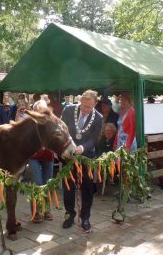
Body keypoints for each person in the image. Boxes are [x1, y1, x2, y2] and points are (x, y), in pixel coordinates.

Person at [61, 89, 102, 232]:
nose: (84, 109)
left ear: (95, 104)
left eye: (88, 107)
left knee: (87, 188)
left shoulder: (98, 118)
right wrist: (69, 145)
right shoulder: (69, 110)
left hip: (87, 158)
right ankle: (70, 215)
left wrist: (82, 148)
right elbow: (62, 130)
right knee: (68, 187)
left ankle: (85, 217)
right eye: (82, 105)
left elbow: (94, 140)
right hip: (69, 156)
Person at [27, 100, 55, 223]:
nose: (40, 111)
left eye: (42, 109)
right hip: (34, 157)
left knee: (48, 183)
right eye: (37, 109)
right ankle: (36, 211)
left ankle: (46, 210)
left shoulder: (51, 121)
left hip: (48, 156)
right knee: (37, 183)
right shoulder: (30, 123)